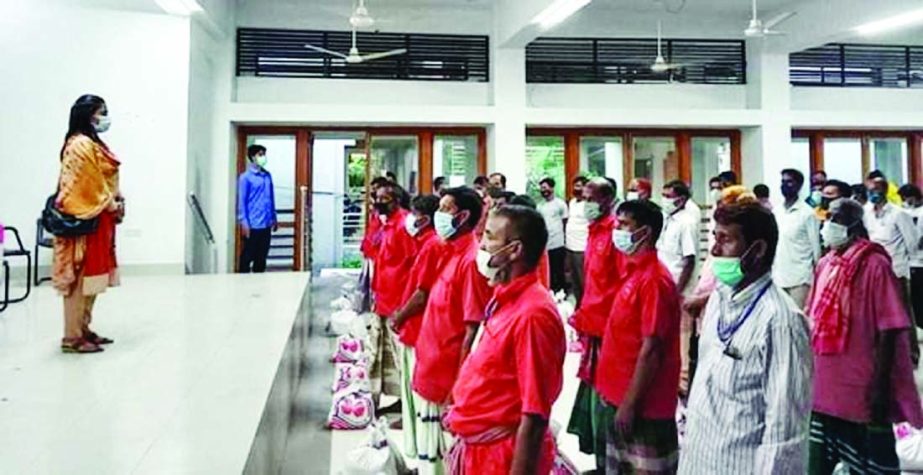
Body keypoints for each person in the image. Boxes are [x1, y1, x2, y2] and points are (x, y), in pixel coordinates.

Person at [680, 202, 812, 474]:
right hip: (699, 456)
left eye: (725, 240)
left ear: (758, 250)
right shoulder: (719, 297)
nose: (715, 250)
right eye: (714, 238)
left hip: (739, 464)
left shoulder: (780, 321)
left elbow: (784, 431)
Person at [805, 198, 923, 474]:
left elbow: (891, 328)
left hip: (862, 385)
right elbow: (812, 318)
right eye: (827, 218)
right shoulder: (825, 264)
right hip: (824, 385)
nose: (827, 226)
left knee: (871, 463)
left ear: (854, 225)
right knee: (819, 459)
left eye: (835, 219)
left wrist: (881, 385)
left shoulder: (874, 265)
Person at [446, 205, 565, 475]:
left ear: (514, 250)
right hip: (478, 451)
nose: (482, 243)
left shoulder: (533, 314)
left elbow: (534, 415)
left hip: (501, 456)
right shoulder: (503, 297)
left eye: (489, 236)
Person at [412, 186, 492, 473]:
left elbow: (473, 331)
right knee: (429, 452)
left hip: (447, 377)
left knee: (448, 454)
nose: (438, 215)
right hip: (432, 366)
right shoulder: (450, 252)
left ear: (463, 216)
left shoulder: (470, 261)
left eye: (445, 209)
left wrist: (459, 387)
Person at [598, 199, 681, 474]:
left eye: (623, 225)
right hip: (618, 395)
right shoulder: (634, 271)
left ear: (644, 232)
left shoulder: (655, 280)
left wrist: (630, 404)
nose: (616, 230)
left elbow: (652, 349)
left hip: (644, 405)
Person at [52, 94, 122, 354]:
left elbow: (107, 175)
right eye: (100, 112)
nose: (104, 117)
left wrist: (116, 199)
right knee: (79, 279)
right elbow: (88, 183)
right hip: (83, 219)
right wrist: (112, 203)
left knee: (93, 279)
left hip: (100, 218)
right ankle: (71, 336)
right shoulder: (79, 144)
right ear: (87, 114)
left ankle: (84, 327)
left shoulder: (94, 142)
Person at [566, 177, 627, 473]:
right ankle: (599, 463)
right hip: (592, 329)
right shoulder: (594, 231)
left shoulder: (616, 233)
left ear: (607, 198)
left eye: (589, 198)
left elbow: (620, 288)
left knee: (606, 404)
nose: (584, 203)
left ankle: (609, 464)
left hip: (610, 334)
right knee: (593, 404)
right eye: (581, 197)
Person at [390, 195, 445, 454]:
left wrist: (399, 317)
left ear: (424, 217)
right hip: (415, 327)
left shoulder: (433, 245)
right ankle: (418, 456)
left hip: (418, 328)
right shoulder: (426, 242)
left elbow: (422, 293)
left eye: (414, 213)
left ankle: (425, 458)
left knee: (421, 399)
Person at [370, 183, 416, 410]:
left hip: (398, 302)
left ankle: (406, 404)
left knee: (401, 357)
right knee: (386, 355)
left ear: (396, 200)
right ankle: (396, 399)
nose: (378, 203)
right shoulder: (387, 224)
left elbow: (412, 265)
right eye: (376, 198)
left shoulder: (404, 225)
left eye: (383, 199)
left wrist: (404, 305)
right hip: (384, 298)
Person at [865, 173, 920, 363]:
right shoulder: (866, 213)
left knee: (903, 313)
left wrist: (906, 265)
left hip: (896, 270)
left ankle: (912, 353)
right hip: (874, 271)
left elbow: (912, 243)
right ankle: (887, 355)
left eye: (877, 191)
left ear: (886, 191)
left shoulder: (898, 214)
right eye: (870, 191)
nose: (873, 194)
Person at [657, 180, 700, 395]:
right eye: (663, 194)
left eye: (668, 195)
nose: (664, 199)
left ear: (681, 199)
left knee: (682, 338)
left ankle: (682, 383)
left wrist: (677, 291)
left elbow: (689, 260)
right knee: (668, 336)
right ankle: (669, 378)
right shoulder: (667, 219)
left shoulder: (687, 222)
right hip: (664, 286)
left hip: (680, 290)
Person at [773, 169, 821, 308]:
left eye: (789, 182)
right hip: (778, 277)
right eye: (783, 182)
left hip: (800, 279)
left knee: (799, 321)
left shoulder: (807, 213)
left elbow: (816, 249)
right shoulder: (776, 212)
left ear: (799, 185)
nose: (785, 185)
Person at [237, 144, 278, 273]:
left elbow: (271, 198)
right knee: (248, 256)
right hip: (253, 224)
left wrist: (274, 218)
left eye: (264, 154)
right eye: (260, 155)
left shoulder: (267, 176)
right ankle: (242, 282)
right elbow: (242, 202)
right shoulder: (245, 178)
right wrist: (244, 223)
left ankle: (259, 284)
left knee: (261, 257)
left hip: (266, 223)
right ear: (252, 157)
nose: (263, 157)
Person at [898, 184, 923, 328]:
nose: (905, 201)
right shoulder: (904, 212)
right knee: (915, 297)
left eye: (906, 198)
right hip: (910, 261)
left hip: (921, 259)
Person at [537, 177, 568, 294]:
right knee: (548, 270)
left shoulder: (560, 204)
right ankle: (550, 292)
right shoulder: (540, 206)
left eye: (545, 187)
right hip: (546, 243)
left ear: (552, 188)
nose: (543, 190)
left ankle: (562, 292)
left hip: (558, 242)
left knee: (558, 269)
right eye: (541, 188)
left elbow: (565, 222)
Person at [565, 176, 590, 305]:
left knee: (583, 279)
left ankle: (586, 305)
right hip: (570, 245)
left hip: (582, 247)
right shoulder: (572, 202)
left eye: (579, 186)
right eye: (575, 186)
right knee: (573, 279)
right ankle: (578, 304)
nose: (576, 189)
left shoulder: (589, 205)